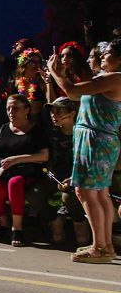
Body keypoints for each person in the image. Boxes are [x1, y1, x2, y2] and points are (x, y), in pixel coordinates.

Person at [49, 42, 121, 262]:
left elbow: (72, 92)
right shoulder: (104, 78)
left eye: (106, 54)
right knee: (98, 193)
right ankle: (105, 245)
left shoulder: (115, 78)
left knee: (85, 191)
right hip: (94, 140)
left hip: (97, 140)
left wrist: (55, 73)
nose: (100, 58)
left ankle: (100, 247)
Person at [0, 94, 50, 247]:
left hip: (26, 172)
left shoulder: (36, 130)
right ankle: (4, 225)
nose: (11, 112)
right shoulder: (0, 129)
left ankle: (17, 228)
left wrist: (16, 160)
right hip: (1, 173)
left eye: (15, 108)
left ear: (27, 110)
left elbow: (44, 155)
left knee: (15, 182)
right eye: (8, 109)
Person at [45, 96, 90, 248]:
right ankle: (55, 219)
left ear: (71, 113)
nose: (54, 115)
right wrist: (51, 172)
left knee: (69, 195)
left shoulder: (82, 134)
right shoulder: (52, 134)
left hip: (79, 178)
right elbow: (49, 160)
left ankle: (79, 224)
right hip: (56, 178)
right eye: (52, 111)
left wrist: (74, 178)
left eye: (59, 111)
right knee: (38, 193)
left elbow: (87, 161)